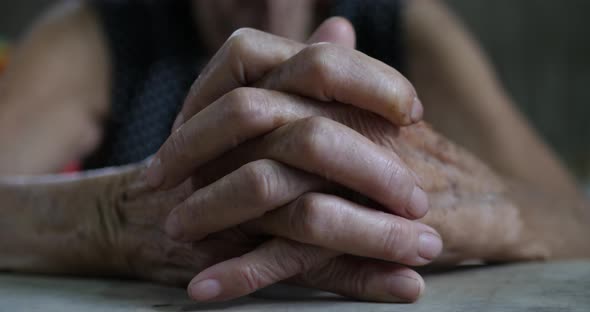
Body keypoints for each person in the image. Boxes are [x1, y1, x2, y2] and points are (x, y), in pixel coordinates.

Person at [0, 0, 588, 303]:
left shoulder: (401, 26)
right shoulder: (111, 31)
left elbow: (575, 222)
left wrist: (445, 198)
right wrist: (117, 216)